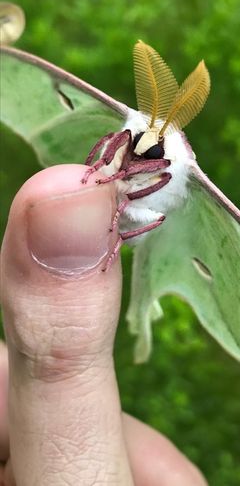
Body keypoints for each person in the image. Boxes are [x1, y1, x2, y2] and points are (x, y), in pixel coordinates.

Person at [0, 164, 207, 485]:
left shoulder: (166, 170)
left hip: (136, 213)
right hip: (115, 204)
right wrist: (102, 168)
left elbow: (162, 179)